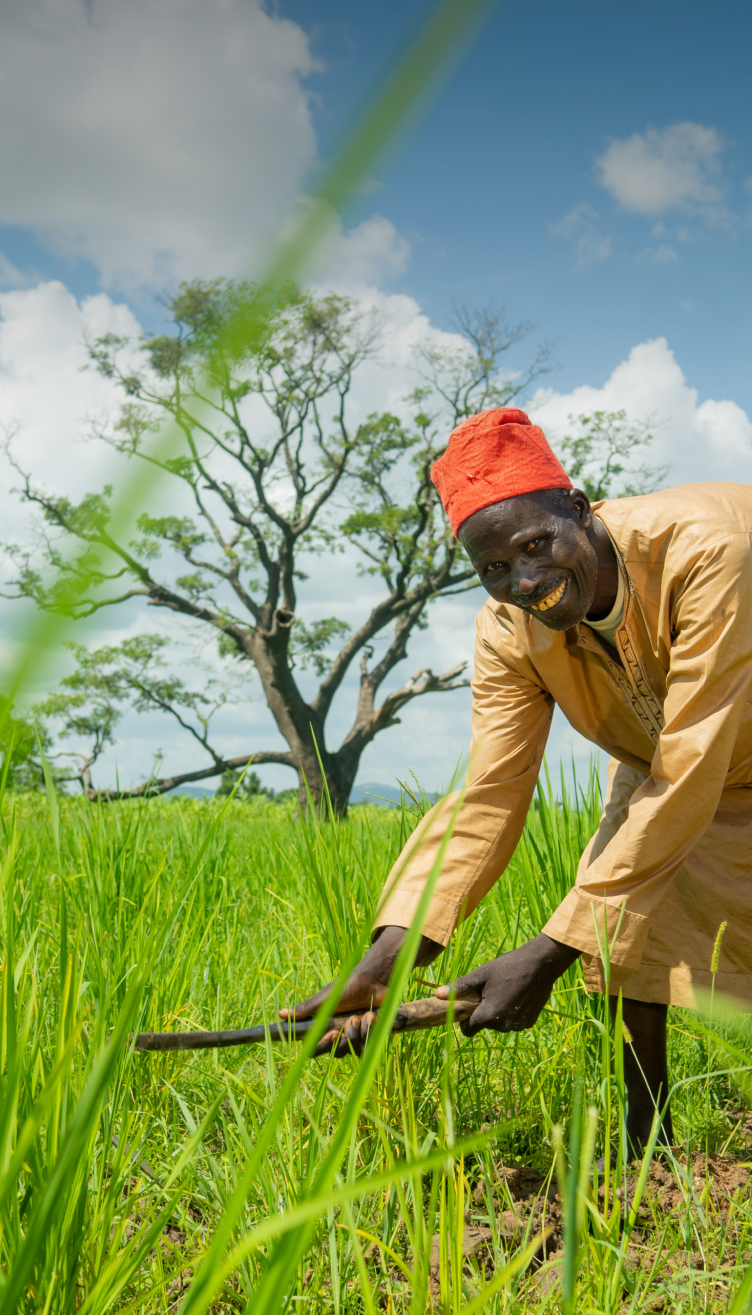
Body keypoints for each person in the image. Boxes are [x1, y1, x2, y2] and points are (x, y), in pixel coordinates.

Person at [281, 406, 752, 1154]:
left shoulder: (710, 550)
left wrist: (547, 952)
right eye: (494, 568)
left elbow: (694, 761)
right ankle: (650, 1146)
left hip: (705, 746)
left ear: (578, 503)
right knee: (620, 930)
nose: (525, 580)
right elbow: (488, 796)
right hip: (664, 760)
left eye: (537, 544)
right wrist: (381, 969)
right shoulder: (508, 633)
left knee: (596, 913)